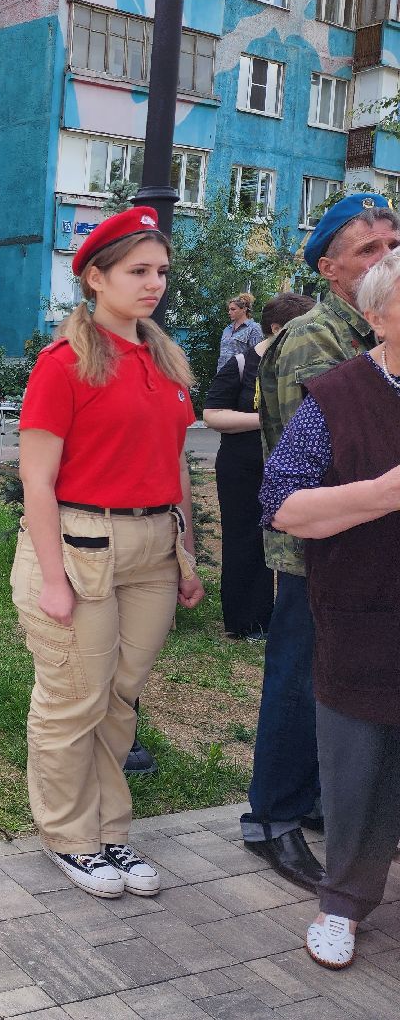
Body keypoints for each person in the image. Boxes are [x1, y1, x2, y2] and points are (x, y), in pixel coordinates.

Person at [13, 206, 203, 899]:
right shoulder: (64, 365)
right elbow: (35, 479)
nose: (153, 284)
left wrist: (186, 554)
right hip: (83, 545)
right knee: (74, 699)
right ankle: (71, 838)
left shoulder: (165, 359)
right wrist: (53, 580)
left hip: (153, 549)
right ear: (96, 277)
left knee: (120, 699)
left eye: (160, 272)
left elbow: (176, 465)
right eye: (137, 271)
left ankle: (111, 832)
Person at [244, 193, 400, 891]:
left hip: (363, 543)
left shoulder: (365, 331)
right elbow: (302, 452)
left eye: (390, 244)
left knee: (334, 682)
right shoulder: (317, 336)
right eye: (369, 250)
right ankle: (271, 819)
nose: (385, 258)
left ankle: (310, 800)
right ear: (332, 269)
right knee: (300, 680)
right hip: (314, 544)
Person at [202, 293, 315, 640]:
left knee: (303, 542)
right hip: (243, 467)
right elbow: (212, 414)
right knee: (245, 540)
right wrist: (267, 419)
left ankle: (298, 620)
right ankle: (249, 623)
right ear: (277, 328)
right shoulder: (241, 363)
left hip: (297, 470)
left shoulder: (310, 363)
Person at [217, 293, 263, 373]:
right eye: (229, 309)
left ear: (244, 309)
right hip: (222, 375)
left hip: (239, 376)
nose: (229, 312)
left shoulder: (254, 328)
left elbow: (256, 357)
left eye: (233, 309)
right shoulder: (227, 329)